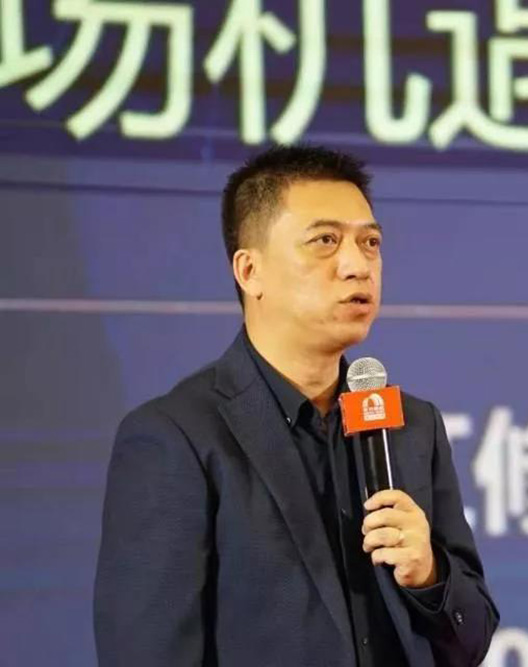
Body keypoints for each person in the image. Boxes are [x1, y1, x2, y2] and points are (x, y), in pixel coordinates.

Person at [94, 145, 499, 667]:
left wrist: (429, 575)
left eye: (370, 242)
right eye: (325, 241)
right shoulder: (175, 437)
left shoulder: (412, 427)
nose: (358, 265)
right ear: (250, 271)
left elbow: (472, 642)